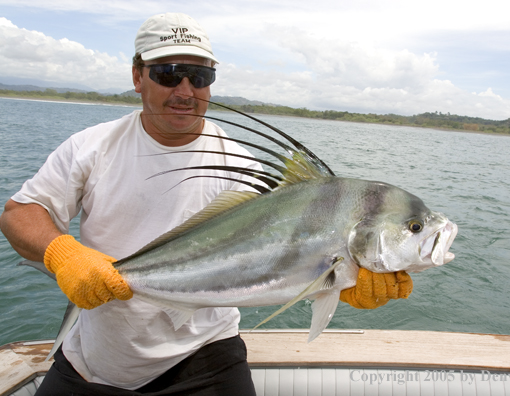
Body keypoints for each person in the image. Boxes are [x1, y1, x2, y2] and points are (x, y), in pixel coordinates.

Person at [0, 13, 412, 395]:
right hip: (94, 357)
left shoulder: (247, 167)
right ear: (137, 77)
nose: (185, 90)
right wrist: (63, 254)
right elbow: (20, 214)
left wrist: (345, 278)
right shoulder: (91, 147)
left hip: (206, 354)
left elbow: (283, 254)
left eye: (199, 76)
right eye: (168, 74)